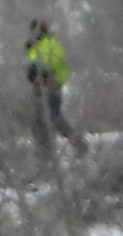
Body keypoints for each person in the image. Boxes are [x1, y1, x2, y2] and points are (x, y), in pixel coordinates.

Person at [23, 20, 80, 152]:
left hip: (51, 86)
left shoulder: (51, 44)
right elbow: (30, 68)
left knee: (54, 118)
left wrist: (42, 70)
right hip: (39, 88)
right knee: (40, 121)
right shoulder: (34, 47)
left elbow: (56, 62)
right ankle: (44, 152)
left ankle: (77, 142)